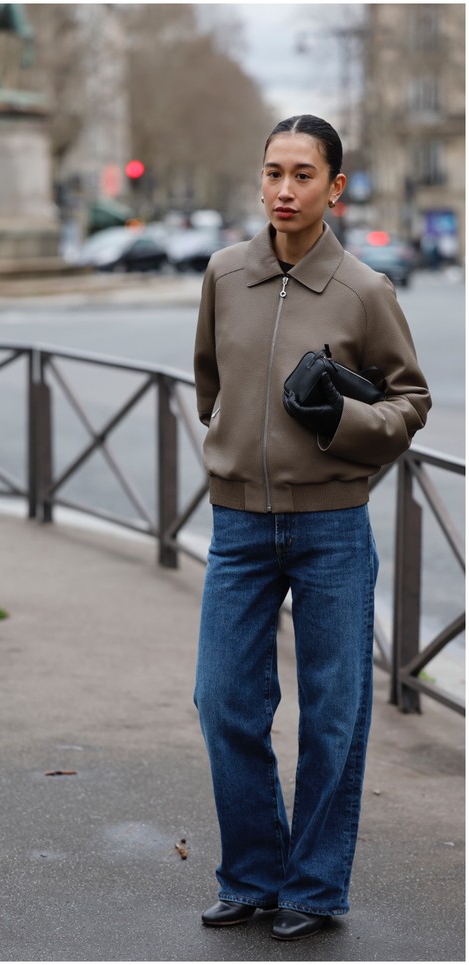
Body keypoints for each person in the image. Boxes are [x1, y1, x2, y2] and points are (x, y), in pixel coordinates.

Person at [192, 116, 430, 941]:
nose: (284, 190)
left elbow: (411, 400)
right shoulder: (224, 273)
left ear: (334, 187)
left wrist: (339, 423)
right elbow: (207, 375)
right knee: (222, 700)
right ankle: (254, 875)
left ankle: (315, 887)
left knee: (333, 716)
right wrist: (227, 439)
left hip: (331, 527)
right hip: (238, 528)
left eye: (302, 175)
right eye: (272, 172)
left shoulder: (366, 289)